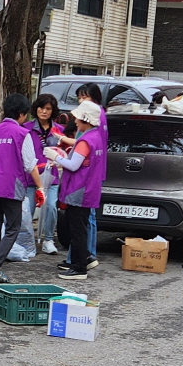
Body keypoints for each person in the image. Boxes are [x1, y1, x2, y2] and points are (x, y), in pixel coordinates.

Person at [0, 94, 39, 274]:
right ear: (21, 114)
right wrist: (41, 186)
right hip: (12, 188)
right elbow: (29, 165)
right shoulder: (22, 133)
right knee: (13, 228)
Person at [48, 100, 107, 279]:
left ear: (85, 119)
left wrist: (55, 157)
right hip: (89, 189)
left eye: (78, 118)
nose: (75, 120)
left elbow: (74, 166)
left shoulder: (85, 140)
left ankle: (79, 267)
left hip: (78, 189)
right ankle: (83, 258)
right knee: (81, 226)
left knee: (77, 229)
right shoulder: (97, 137)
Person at [30, 94, 67, 255]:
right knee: (28, 210)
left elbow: (67, 151)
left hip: (52, 176)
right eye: (41, 107)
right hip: (31, 176)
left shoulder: (59, 131)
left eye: (48, 109)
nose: (44, 111)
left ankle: (49, 239)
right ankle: (26, 239)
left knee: (51, 206)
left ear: (53, 111)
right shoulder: (26, 128)